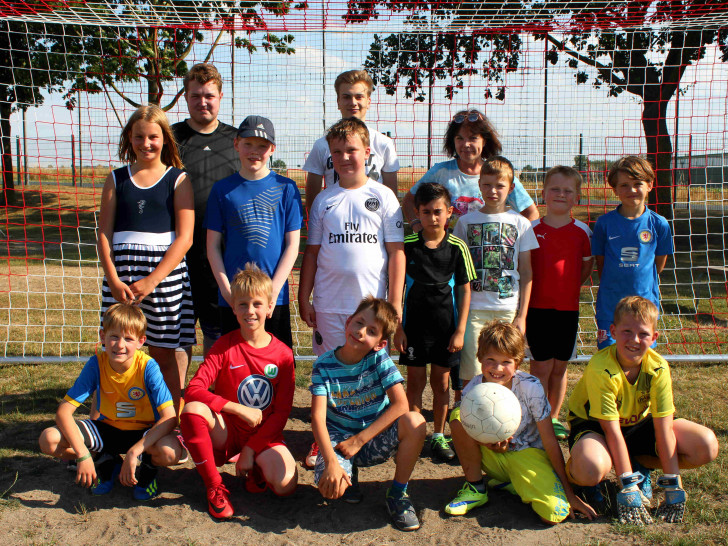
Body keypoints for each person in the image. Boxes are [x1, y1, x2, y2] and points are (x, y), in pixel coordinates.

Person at [299, 117, 405, 467]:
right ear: (330, 156)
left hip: (371, 311)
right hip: (330, 306)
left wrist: (395, 303)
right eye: (337, 151)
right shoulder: (323, 201)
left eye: (352, 150)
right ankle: (323, 441)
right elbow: (311, 253)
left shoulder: (383, 196)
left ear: (367, 152)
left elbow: (396, 253)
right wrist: (304, 296)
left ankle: (368, 436)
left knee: (366, 376)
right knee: (330, 376)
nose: (345, 157)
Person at [566, 296, 718, 525]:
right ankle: (575, 479)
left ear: (654, 337)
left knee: (706, 445)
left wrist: (673, 484)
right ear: (613, 331)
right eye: (627, 331)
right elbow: (612, 431)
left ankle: (639, 464)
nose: (635, 340)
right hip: (597, 427)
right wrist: (627, 486)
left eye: (644, 334)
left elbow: (664, 427)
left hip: (638, 425)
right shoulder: (601, 368)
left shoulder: (658, 367)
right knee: (590, 467)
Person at [444, 321, 596, 524]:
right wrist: (487, 443)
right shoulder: (473, 389)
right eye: (491, 359)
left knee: (553, 514)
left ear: (518, 362)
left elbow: (550, 440)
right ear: (480, 358)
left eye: (506, 362)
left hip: (527, 454)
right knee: (457, 416)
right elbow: (468, 436)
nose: (497, 368)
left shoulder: (530, 388)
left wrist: (569, 493)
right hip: (491, 457)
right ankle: (476, 488)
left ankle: (511, 482)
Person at [179, 264, 298, 520]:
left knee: (285, 486)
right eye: (242, 304)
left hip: (264, 435)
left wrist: (251, 449)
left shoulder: (283, 355)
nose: (250, 311)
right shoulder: (224, 346)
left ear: (269, 307)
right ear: (233, 308)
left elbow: (281, 413)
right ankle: (214, 486)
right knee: (192, 411)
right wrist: (236, 408)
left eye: (257, 304)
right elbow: (193, 389)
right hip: (229, 430)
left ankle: (255, 467)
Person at [98, 104, 195, 414]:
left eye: (153, 136)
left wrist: (153, 280)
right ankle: (108, 419)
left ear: (164, 138)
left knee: (164, 354)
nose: (146, 143)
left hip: (163, 281)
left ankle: (170, 421)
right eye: (138, 137)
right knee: (117, 351)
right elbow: (103, 234)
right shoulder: (116, 179)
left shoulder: (178, 179)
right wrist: (113, 279)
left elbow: (186, 238)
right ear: (130, 138)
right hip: (122, 278)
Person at [38, 304, 183, 500]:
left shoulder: (148, 366)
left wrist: (134, 451)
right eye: (114, 336)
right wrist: (83, 454)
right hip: (106, 430)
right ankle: (105, 460)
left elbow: (170, 417)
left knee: (170, 451)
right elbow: (63, 412)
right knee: (49, 440)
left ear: (141, 341)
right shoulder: (96, 363)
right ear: (102, 336)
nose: (120, 345)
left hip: (143, 433)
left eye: (129, 339)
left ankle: (148, 472)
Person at [310, 297, 426, 531]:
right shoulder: (323, 365)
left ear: (380, 344)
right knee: (330, 488)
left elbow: (401, 405)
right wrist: (332, 462)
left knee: (416, 421)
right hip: (339, 441)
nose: (361, 332)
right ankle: (348, 473)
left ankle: (397, 494)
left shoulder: (378, 359)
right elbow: (317, 418)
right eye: (359, 323)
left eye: (371, 330)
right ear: (348, 322)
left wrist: (359, 440)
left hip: (372, 439)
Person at [394, 182, 475, 462]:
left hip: (446, 330)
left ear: (450, 212)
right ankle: (414, 432)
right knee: (414, 383)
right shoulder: (406, 247)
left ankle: (438, 435)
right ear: (417, 213)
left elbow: (465, 289)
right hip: (414, 329)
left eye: (438, 211)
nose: (432, 218)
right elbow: (397, 289)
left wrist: (461, 330)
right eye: (426, 212)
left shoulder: (457, 247)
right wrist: (398, 328)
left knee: (440, 385)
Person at [206, 115, 303, 348]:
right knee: (234, 365)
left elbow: (292, 246)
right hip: (235, 298)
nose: (254, 151)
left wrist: (274, 291)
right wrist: (227, 291)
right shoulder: (222, 190)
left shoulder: (287, 188)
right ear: (236, 144)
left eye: (262, 146)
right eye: (248, 144)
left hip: (272, 299)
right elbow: (212, 247)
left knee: (276, 366)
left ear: (272, 149)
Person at [173, 63, 241, 358]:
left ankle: (209, 394)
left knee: (218, 330)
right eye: (196, 95)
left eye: (209, 95)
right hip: (176, 250)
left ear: (220, 96)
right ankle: (173, 398)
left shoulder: (237, 140)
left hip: (221, 252)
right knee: (177, 330)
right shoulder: (170, 137)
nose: (203, 102)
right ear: (186, 97)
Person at [452, 157, 538, 390]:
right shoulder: (465, 222)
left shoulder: (521, 223)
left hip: (507, 308)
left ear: (510, 188)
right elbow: (459, 271)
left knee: (504, 369)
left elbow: (527, 272)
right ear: (479, 185)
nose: (493, 191)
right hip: (473, 308)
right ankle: (466, 417)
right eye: (487, 185)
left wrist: (522, 315)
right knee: (471, 370)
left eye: (500, 186)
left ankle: (506, 419)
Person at [527, 166, 593, 440]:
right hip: (536, 309)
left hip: (567, 310)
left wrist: (567, 289)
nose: (561, 195)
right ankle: (536, 415)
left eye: (568, 191)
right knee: (540, 366)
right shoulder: (530, 230)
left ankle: (553, 417)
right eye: (555, 189)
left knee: (559, 367)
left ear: (577, 197)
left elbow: (585, 269)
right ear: (543, 194)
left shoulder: (583, 232)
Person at [402, 109, 538, 232]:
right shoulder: (441, 172)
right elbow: (409, 201)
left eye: (473, 138)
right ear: (453, 142)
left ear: (484, 141)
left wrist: (519, 242)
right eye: (459, 138)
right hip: (451, 255)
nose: (466, 144)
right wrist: (417, 226)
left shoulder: (499, 174)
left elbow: (531, 213)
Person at [592, 156, 673, 350]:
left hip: (645, 305)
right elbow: (601, 265)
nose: (632, 190)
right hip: (611, 305)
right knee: (610, 356)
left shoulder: (659, 224)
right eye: (624, 185)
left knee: (641, 357)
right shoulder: (604, 224)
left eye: (638, 184)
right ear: (615, 189)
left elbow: (658, 265)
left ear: (650, 185)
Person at [304, 69, 399, 209]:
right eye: (346, 97)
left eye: (359, 97)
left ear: (368, 101)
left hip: (373, 220)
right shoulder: (322, 145)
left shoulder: (383, 143)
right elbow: (312, 195)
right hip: (335, 219)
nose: (353, 102)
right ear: (338, 101)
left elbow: (392, 195)